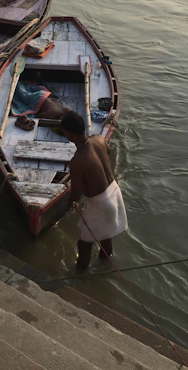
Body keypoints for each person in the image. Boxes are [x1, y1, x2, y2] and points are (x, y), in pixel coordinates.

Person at [61, 111, 128, 269]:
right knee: (106, 235)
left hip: (100, 202)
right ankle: (105, 264)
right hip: (114, 192)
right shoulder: (99, 139)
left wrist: (71, 201)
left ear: (69, 134)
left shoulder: (77, 161)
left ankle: (79, 276)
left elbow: (76, 192)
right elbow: (108, 152)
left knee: (84, 243)